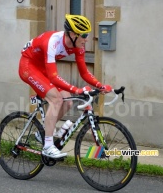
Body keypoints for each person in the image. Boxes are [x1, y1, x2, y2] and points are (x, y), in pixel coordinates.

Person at [18, 14, 112, 159]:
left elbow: (84, 72)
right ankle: (48, 146)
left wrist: (100, 86)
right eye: (84, 35)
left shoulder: (77, 46)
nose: (87, 39)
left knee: (67, 100)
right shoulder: (52, 42)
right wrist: (77, 89)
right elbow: (53, 76)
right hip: (28, 66)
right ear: (73, 34)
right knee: (56, 99)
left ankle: (42, 133)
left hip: (41, 68)